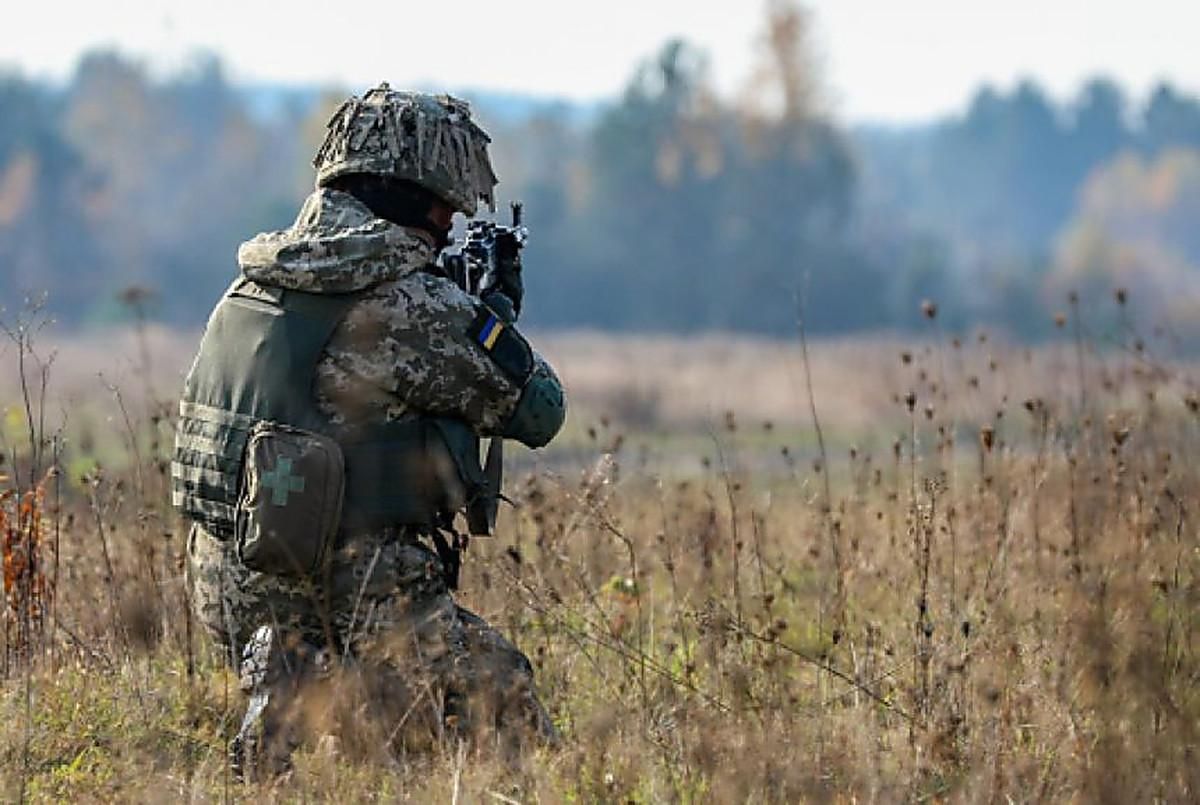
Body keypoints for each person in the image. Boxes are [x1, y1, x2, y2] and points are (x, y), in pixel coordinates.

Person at [171, 84, 566, 774]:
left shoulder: (249, 286)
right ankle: (342, 703)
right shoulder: (414, 303)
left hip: (230, 603)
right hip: (361, 599)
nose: (451, 220)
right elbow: (539, 410)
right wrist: (493, 315)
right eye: (446, 203)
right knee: (503, 697)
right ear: (411, 193)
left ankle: (293, 687)